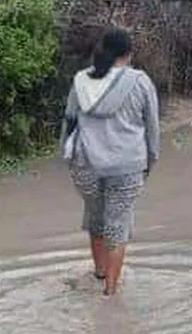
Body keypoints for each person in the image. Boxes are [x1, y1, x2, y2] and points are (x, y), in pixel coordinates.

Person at [61, 27, 160, 296]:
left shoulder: (81, 80)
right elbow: (152, 129)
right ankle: (110, 293)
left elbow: (69, 122)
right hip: (126, 166)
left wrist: (67, 157)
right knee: (117, 224)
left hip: (85, 165)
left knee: (96, 217)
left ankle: (99, 273)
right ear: (128, 54)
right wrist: (150, 163)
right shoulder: (140, 82)